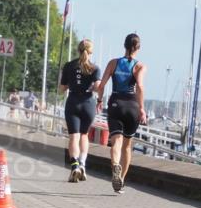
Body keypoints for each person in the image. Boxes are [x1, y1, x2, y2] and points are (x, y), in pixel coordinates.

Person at [96, 33, 147, 193]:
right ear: (138, 48)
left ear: (124, 45)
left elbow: (101, 85)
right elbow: (139, 86)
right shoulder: (140, 66)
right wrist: (142, 108)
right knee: (127, 145)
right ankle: (121, 181)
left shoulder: (113, 63)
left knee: (115, 141)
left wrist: (99, 100)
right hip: (132, 105)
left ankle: (115, 165)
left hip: (116, 103)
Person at [59, 39, 101, 182]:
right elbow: (98, 87)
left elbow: (62, 89)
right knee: (84, 135)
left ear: (78, 50)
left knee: (73, 137)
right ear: (91, 51)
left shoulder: (69, 66)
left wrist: (70, 82)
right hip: (88, 104)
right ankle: (82, 163)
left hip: (73, 103)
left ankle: (74, 166)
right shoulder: (95, 68)